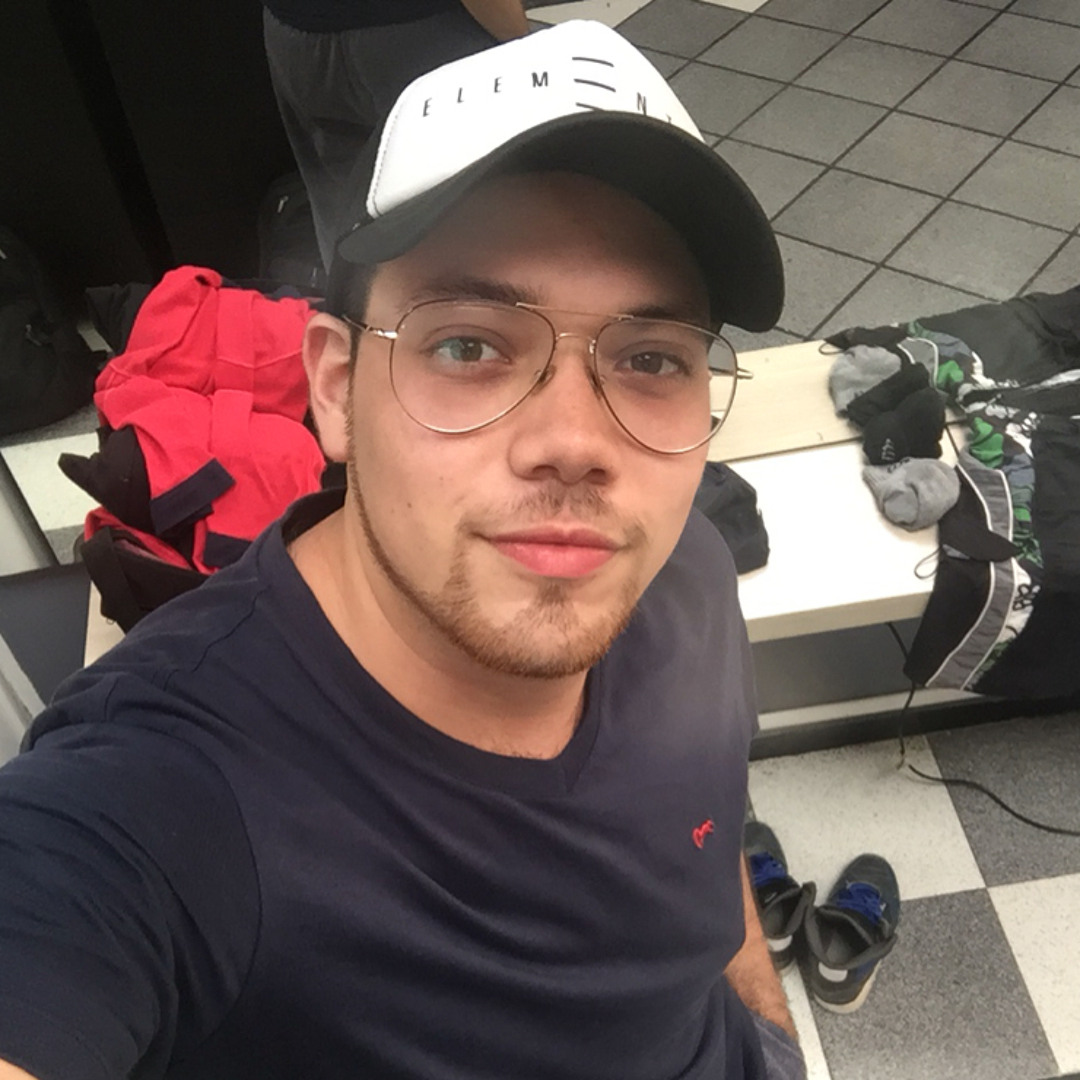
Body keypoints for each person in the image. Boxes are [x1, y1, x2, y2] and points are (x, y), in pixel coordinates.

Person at [0, 21, 804, 1080]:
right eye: (468, 345)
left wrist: (773, 1038)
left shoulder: (682, 567)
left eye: (651, 358)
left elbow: (701, 835)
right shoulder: (169, 795)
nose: (576, 442)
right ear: (335, 389)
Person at [262, 0, 529, 267]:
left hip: (295, 34)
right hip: (420, 35)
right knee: (482, 218)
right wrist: (527, 42)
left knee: (345, 219)